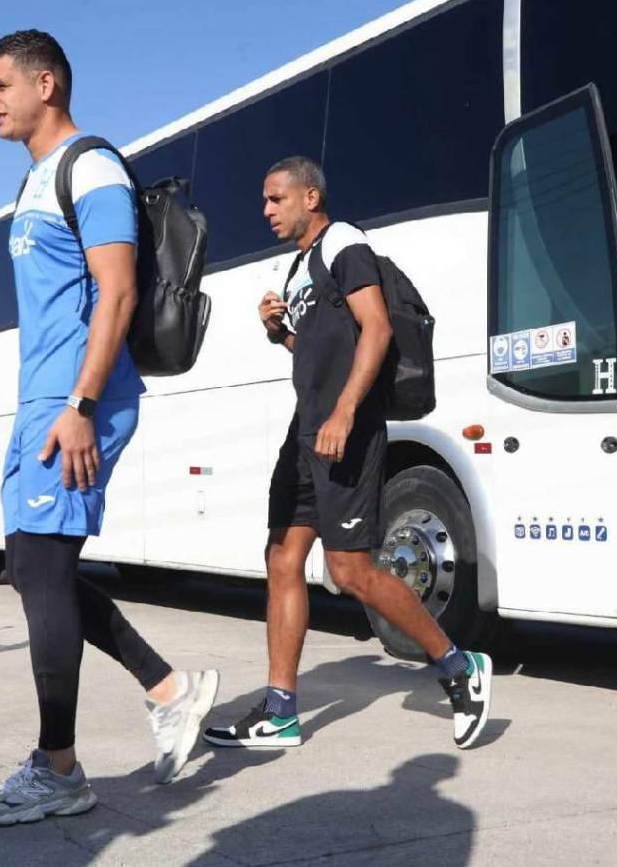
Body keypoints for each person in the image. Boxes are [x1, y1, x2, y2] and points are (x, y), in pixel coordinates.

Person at [0, 30, 218, 827]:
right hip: (45, 400)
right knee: (36, 571)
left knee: (38, 572)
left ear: (48, 83)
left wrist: (78, 403)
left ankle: (60, 770)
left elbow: (117, 294)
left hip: (78, 401)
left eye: (2, 85)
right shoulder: (36, 181)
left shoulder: (92, 168)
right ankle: (169, 689)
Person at [203, 157, 493, 753]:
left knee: (350, 571)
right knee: (282, 558)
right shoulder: (302, 270)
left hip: (346, 430)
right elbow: (315, 352)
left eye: (275, 199)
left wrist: (344, 413)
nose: (266, 211)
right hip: (305, 432)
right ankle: (282, 710)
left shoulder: (344, 243)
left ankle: (460, 667)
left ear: (311, 196)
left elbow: (378, 329)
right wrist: (277, 333)